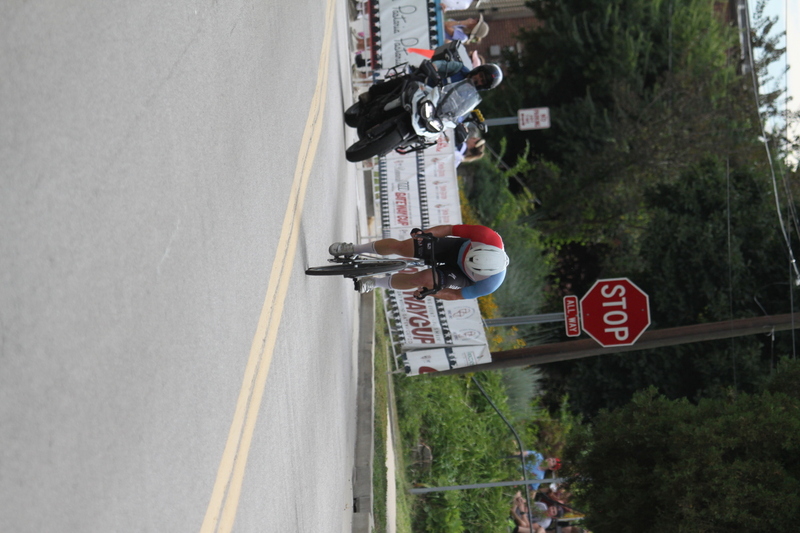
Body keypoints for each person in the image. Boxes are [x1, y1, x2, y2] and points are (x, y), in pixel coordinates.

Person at [328, 224, 509, 299]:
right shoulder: (488, 237)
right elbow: (448, 229)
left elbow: (454, 295)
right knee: (403, 248)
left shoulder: (490, 283)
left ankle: (374, 282)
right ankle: (354, 248)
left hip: (462, 275)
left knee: (424, 281)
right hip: (457, 248)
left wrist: (429, 293)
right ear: (481, 247)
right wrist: (425, 235)